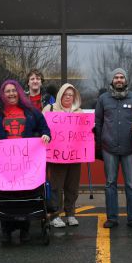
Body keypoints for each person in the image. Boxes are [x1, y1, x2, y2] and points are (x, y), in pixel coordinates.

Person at [0, 79, 51, 243]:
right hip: (4, 164)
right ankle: (6, 230)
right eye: (7, 91)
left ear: (19, 92)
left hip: (26, 162)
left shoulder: (30, 111)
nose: (11, 94)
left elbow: (44, 127)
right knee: (5, 195)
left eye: (14, 90)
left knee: (25, 193)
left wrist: (46, 135)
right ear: (3, 94)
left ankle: (24, 229)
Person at [95, 68, 132, 229]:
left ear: (126, 80)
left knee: (131, 184)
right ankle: (112, 218)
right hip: (109, 147)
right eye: (116, 77)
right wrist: (99, 146)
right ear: (112, 80)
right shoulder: (103, 99)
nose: (119, 79)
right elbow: (99, 123)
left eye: (122, 77)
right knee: (110, 183)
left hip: (130, 148)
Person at [42, 83, 83, 228]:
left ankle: (70, 214)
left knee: (72, 186)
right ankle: (55, 215)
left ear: (75, 97)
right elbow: (43, 128)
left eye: (71, 95)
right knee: (56, 186)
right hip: (56, 156)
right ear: (60, 95)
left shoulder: (79, 112)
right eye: (65, 94)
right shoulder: (50, 109)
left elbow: (84, 134)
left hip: (74, 156)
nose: (68, 97)